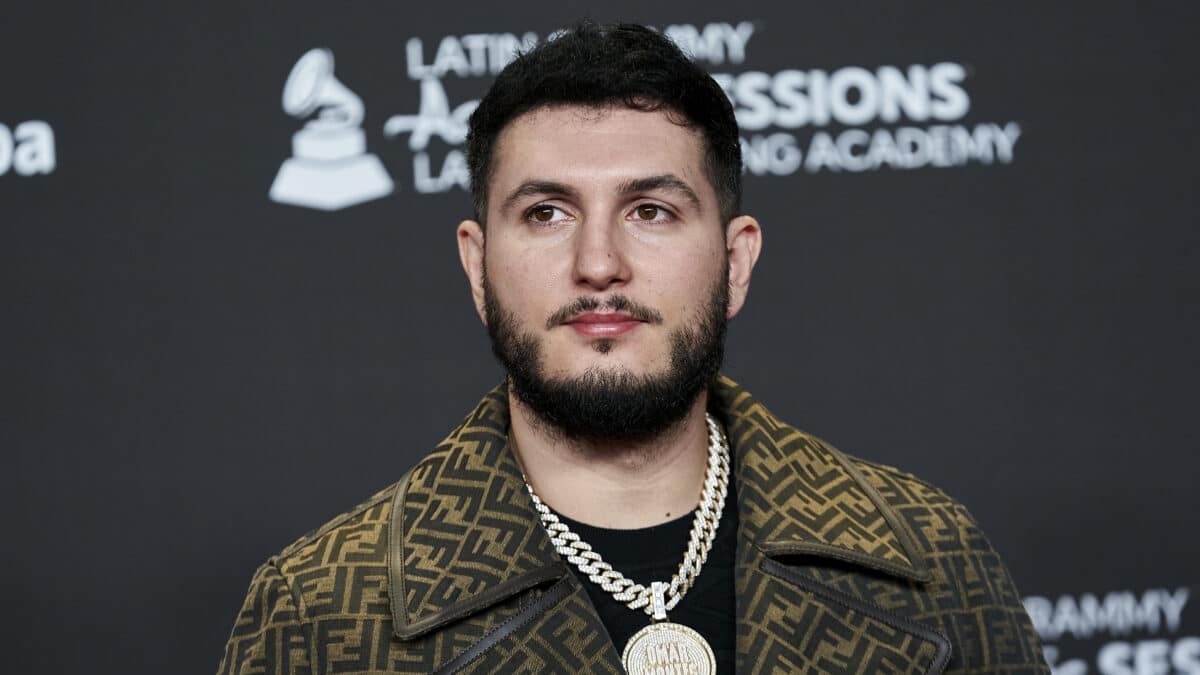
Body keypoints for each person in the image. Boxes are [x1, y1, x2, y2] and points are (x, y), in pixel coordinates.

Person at [218, 21, 1048, 675]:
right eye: (547, 212)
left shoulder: (932, 555)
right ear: (477, 266)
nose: (600, 263)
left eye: (651, 209)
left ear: (736, 261)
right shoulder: (322, 610)